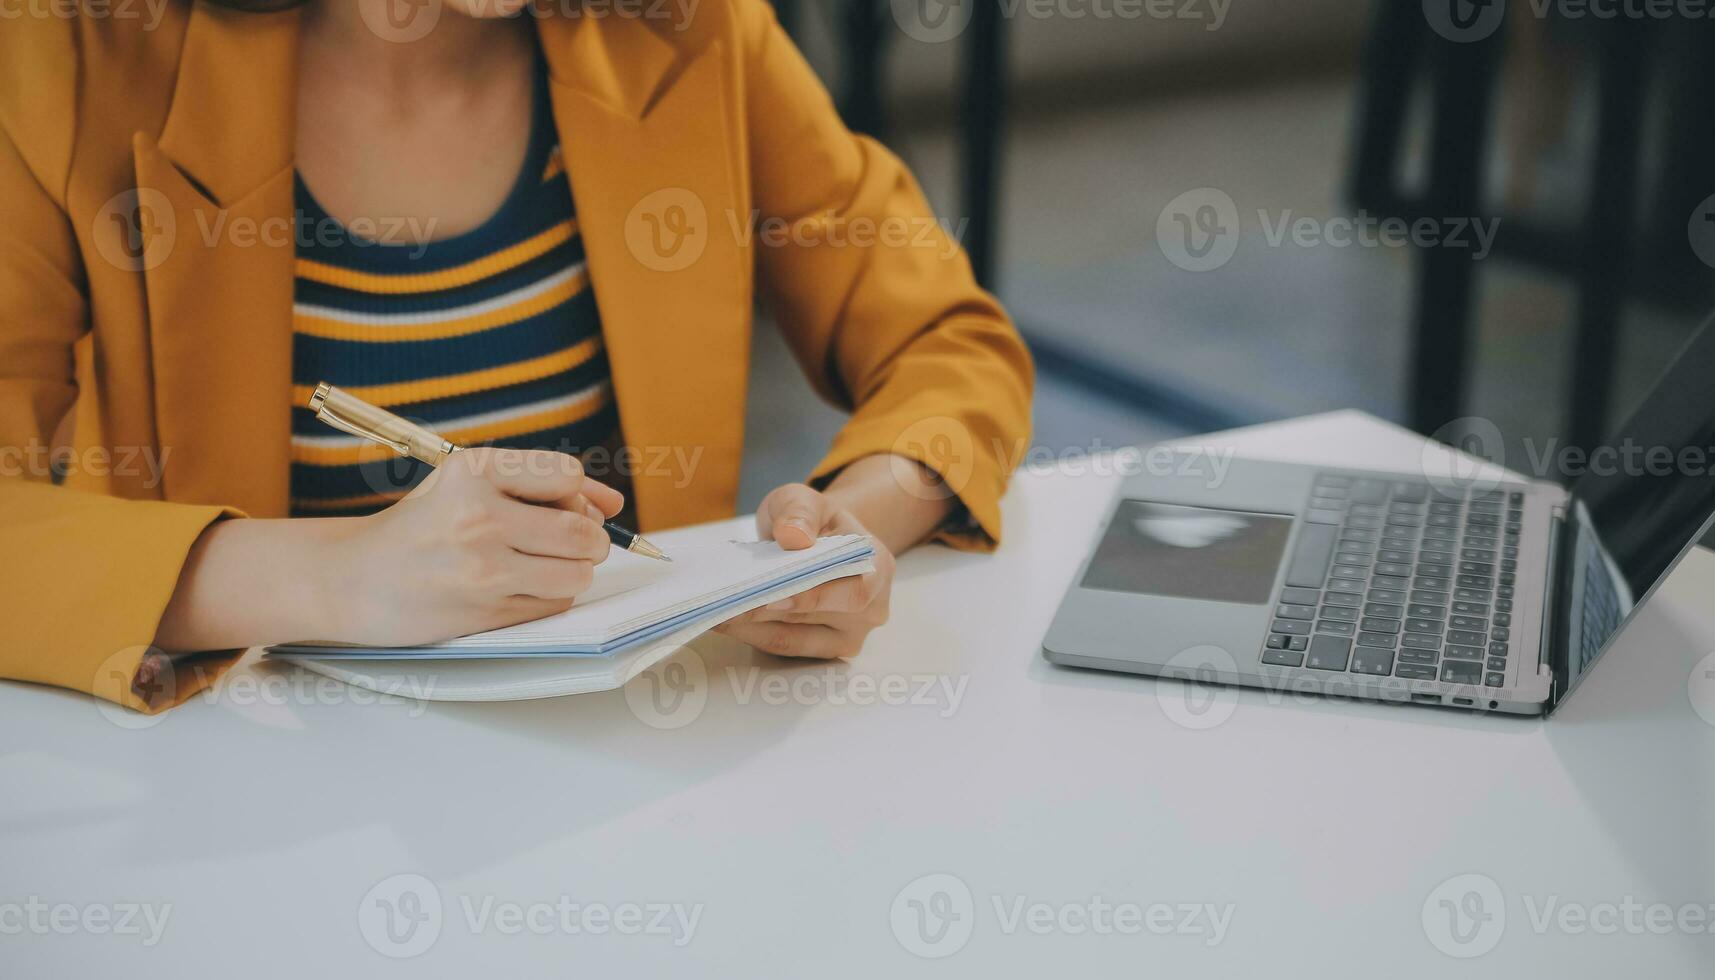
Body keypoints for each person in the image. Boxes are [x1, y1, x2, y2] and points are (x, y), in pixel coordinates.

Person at [0, 0, 1033, 713]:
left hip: (623, 753)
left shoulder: (681, 26)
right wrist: (336, 577)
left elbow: (944, 336)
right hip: (240, 782)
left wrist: (850, 524)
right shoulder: (73, 53)